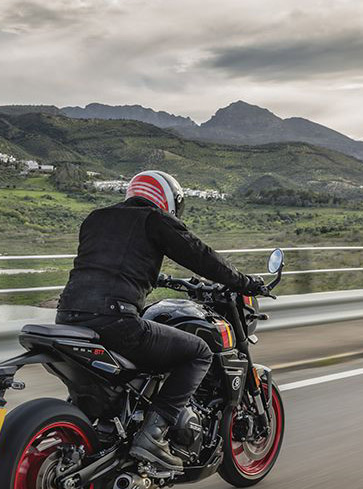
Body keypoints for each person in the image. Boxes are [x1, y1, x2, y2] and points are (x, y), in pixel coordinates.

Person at [56, 170, 269, 472]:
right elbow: (201, 256)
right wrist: (245, 282)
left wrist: (155, 276)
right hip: (115, 322)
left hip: (67, 319)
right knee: (199, 352)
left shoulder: (96, 218)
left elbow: (110, 265)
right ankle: (153, 435)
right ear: (168, 200)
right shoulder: (154, 219)